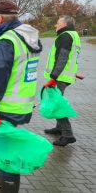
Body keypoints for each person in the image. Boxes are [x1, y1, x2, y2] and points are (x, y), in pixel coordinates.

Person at [0, 0, 42, 192]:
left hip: (5, 105)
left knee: (7, 153)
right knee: (5, 146)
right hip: (21, 103)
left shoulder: (7, 41)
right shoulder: (28, 37)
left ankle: (8, 184)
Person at [43, 15, 80, 146]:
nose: (55, 25)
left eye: (58, 23)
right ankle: (59, 128)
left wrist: (53, 77)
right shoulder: (73, 35)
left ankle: (68, 134)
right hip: (65, 76)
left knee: (57, 104)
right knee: (57, 102)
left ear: (64, 24)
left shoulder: (65, 36)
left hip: (60, 77)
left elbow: (62, 58)